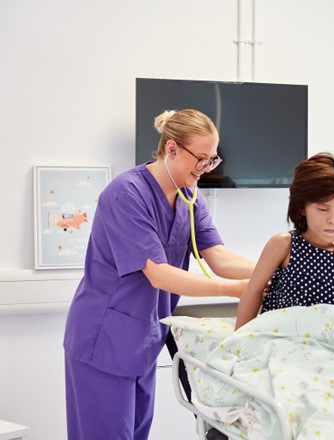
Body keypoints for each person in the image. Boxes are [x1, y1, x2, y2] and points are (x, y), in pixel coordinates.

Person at [63, 108, 256, 440]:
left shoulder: (189, 196)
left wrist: (277, 269)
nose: (206, 168)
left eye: (212, 160)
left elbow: (219, 257)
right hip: (103, 341)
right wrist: (241, 290)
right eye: (201, 158)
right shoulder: (127, 194)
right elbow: (159, 275)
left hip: (143, 342)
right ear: (171, 149)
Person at [235, 153, 334, 329]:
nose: (333, 219)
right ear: (302, 207)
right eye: (322, 209)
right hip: (285, 340)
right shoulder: (284, 245)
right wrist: (239, 342)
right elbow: (253, 292)